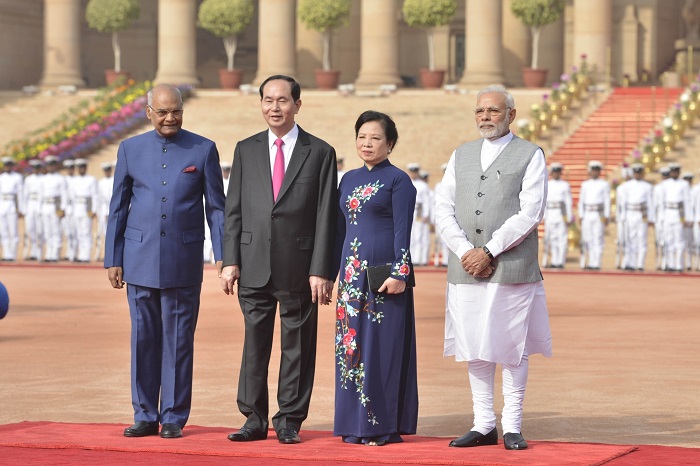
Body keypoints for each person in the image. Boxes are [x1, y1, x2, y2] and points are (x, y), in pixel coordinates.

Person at [104, 83, 226, 439]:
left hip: (182, 259)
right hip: (138, 258)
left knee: (178, 340)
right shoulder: (130, 149)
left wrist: (224, 255)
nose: (170, 118)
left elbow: (217, 209)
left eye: (176, 111)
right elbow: (118, 208)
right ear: (149, 113)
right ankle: (144, 413)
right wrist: (113, 257)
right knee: (143, 338)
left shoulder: (203, 149)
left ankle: (172, 415)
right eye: (163, 112)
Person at [220, 75, 337, 445]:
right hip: (252, 262)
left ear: (297, 105)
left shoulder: (319, 152)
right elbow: (233, 210)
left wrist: (321, 269)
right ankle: (252, 419)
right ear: (261, 104)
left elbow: (326, 216)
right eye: (268, 100)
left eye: (283, 100)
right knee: (254, 346)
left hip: (299, 267)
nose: (275, 107)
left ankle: (289, 419)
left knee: (297, 348)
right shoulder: (245, 149)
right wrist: (229, 260)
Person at [434, 85, 552, 451]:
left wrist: (489, 250)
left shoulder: (530, 154)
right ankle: (483, 423)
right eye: (480, 111)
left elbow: (530, 212)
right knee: (475, 345)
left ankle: (512, 424)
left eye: (493, 111)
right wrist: (467, 251)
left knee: (510, 345)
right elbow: (443, 207)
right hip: (465, 266)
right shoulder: (461, 155)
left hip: (511, 264)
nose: (485, 117)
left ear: (511, 115)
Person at [333, 110, 418, 446]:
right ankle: (353, 425)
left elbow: (403, 232)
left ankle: (381, 426)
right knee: (351, 350)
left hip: (383, 280)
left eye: (375, 138)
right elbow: (340, 230)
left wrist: (401, 273)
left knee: (381, 351)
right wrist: (330, 275)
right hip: (351, 278)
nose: (366, 143)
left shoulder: (399, 181)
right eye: (361, 137)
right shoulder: (348, 179)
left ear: (390, 143)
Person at [616, 163, 654, 271]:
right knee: (630, 239)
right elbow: (623, 203)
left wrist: (651, 218)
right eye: (636, 173)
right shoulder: (627, 186)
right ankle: (630, 262)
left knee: (642, 238)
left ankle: (640, 263)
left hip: (642, 215)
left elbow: (650, 203)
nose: (637, 175)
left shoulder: (647, 186)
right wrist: (622, 217)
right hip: (630, 213)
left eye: (639, 173)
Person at [577, 161, 610, 270]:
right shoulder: (585, 184)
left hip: (598, 214)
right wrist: (581, 215)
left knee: (598, 238)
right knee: (588, 239)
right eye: (593, 170)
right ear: (590, 171)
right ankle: (591, 261)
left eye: (597, 171)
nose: (595, 173)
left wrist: (606, 215)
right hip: (587, 213)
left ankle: (597, 262)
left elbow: (607, 201)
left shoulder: (604, 184)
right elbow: (581, 200)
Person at [658, 163, 691, 272]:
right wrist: (661, 217)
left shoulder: (684, 184)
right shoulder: (665, 184)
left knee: (679, 240)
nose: (674, 173)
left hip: (679, 214)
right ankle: (670, 263)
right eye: (672, 172)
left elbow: (687, 201)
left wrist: (688, 217)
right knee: (669, 240)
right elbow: (661, 201)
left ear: (679, 172)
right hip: (668, 213)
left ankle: (679, 264)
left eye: (676, 171)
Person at [543, 162, 573, 269]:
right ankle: (554, 260)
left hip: (561, 214)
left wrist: (569, 216)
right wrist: (544, 215)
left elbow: (568, 202)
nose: (556, 174)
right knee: (552, 238)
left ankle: (561, 261)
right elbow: (544, 201)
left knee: (562, 238)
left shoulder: (565, 185)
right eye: (554, 172)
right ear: (551, 173)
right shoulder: (547, 183)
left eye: (558, 172)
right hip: (550, 213)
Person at [40, 156, 67, 262]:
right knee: (47, 231)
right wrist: (40, 209)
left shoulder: (60, 178)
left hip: (56, 206)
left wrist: (63, 208)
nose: (51, 167)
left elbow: (64, 194)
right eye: (49, 165)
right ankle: (48, 254)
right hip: (45, 205)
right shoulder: (43, 179)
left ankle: (55, 254)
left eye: (52, 165)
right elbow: (41, 195)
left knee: (56, 231)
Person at [70, 158, 98, 263]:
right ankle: (79, 254)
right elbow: (71, 196)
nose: (81, 169)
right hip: (76, 208)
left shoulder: (91, 179)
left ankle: (85, 255)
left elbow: (94, 195)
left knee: (86, 232)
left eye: (83, 167)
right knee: (77, 233)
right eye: (79, 167)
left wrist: (93, 209)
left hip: (87, 208)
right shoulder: (74, 180)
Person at [0, 157, 23, 261]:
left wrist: (21, 209)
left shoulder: (17, 177)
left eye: (9, 165)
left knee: (13, 231)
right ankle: (6, 254)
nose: (7, 167)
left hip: (12, 205)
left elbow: (20, 194)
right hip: (2, 205)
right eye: (6, 165)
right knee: (3, 231)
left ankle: (13, 254)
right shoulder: (1, 177)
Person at [408, 163, 430, 265]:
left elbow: (426, 201)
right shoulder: (406, 182)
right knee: (409, 235)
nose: (413, 174)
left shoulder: (423, 185)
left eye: (415, 172)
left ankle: (417, 259)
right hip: (408, 210)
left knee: (418, 235)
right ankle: (410, 258)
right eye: (412, 172)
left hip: (418, 211)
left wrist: (426, 213)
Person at [22, 159, 44, 261]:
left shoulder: (43, 178)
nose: (35, 170)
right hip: (30, 204)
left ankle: (40, 253)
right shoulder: (28, 179)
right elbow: (25, 194)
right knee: (30, 229)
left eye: (37, 168)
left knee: (40, 229)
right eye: (34, 168)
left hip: (40, 204)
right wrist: (24, 208)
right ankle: (32, 252)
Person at [95, 162, 114, 262]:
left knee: (110, 235)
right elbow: (98, 198)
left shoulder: (114, 180)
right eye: (105, 170)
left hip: (111, 212)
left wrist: (109, 212)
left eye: (108, 170)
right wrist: (98, 212)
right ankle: (99, 254)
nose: (107, 172)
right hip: (102, 211)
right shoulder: (100, 182)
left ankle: (109, 256)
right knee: (101, 234)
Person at [653, 166, 671, 270]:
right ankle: (658, 262)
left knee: (668, 240)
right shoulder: (658, 188)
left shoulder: (673, 187)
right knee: (658, 241)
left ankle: (666, 262)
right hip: (659, 218)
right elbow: (654, 205)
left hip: (669, 217)